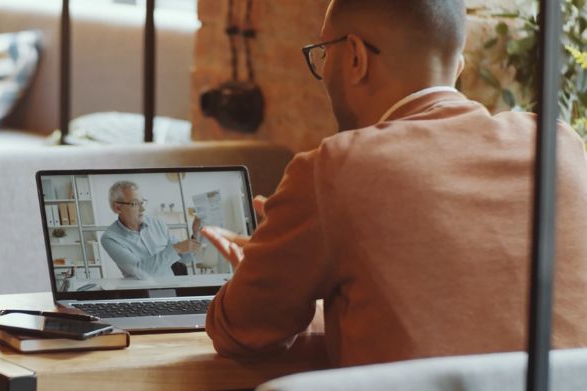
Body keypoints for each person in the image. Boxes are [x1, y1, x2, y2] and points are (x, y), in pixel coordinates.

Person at [201, 0, 587, 367]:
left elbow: (241, 331)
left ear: (355, 57)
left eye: (323, 52)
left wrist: (267, 264)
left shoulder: (336, 169)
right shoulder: (560, 148)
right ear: (457, 68)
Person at [101, 181, 202, 280]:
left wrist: (196, 233)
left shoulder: (158, 224)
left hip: (171, 290)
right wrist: (175, 249)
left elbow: (184, 258)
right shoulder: (110, 238)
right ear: (117, 207)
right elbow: (142, 272)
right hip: (142, 294)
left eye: (142, 202)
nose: (142, 209)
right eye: (135, 203)